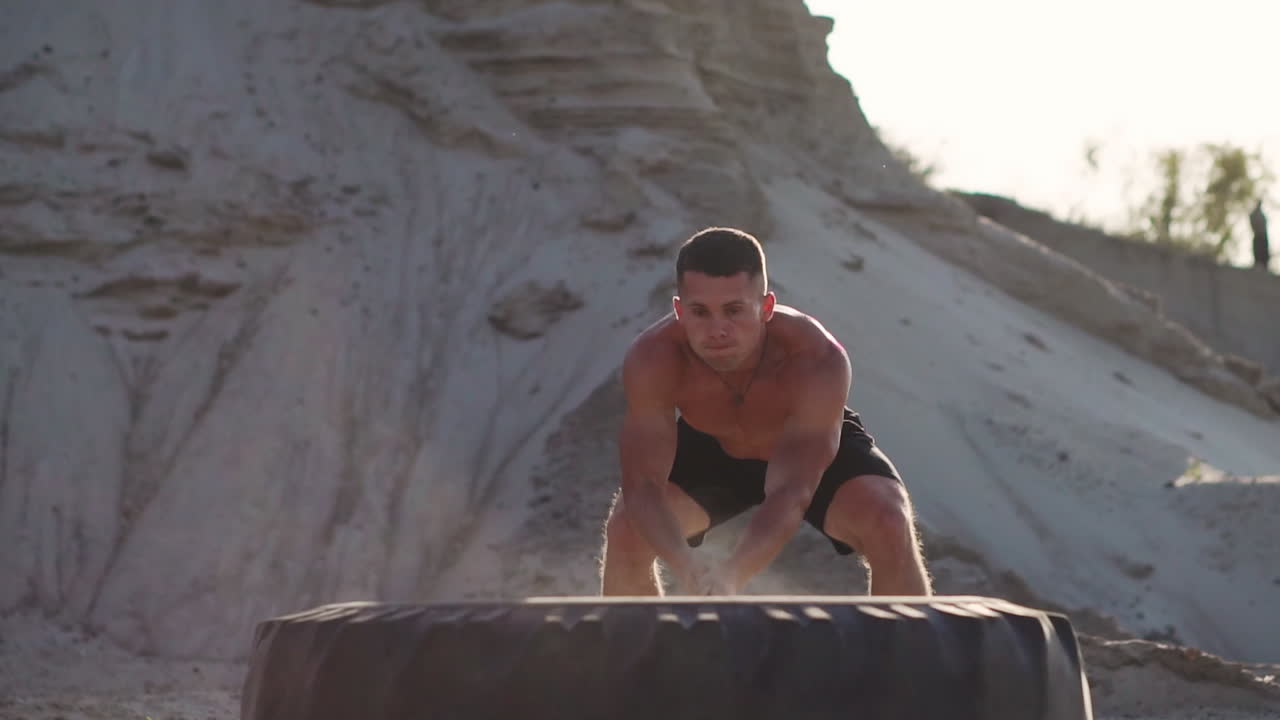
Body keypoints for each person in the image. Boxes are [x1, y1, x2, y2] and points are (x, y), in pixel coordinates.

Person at [599, 227, 932, 597]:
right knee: (628, 530)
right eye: (699, 312)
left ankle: (910, 655)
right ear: (679, 310)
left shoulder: (817, 357)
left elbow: (793, 490)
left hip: (801, 442)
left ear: (766, 308)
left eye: (734, 310)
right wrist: (685, 564)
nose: (717, 330)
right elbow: (643, 487)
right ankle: (643, 656)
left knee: (887, 519)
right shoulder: (653, 359)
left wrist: (732, 575)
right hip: (713, 443)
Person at [1251, 199, 1270, 270]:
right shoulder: (1255, 214)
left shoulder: (1262, 215)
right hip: (1258, 235)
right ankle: (1258, 264)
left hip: (1263, 235)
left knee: (1264, 251)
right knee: (1257, 250)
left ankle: (1264, 265)